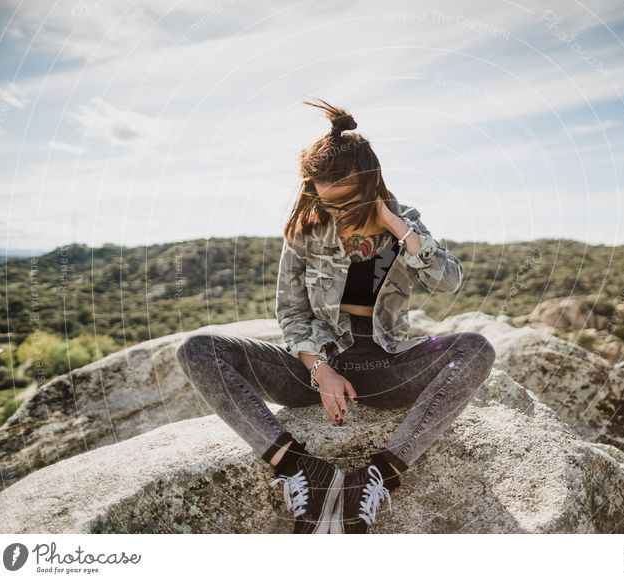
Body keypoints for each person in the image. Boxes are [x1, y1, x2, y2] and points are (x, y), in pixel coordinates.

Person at [175, 98, 496, 534]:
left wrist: (398, 228)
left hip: (387, 368)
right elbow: (291, 312)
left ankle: (381, 473)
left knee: (476, 349)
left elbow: (449, 282)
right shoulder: (306, 230)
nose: (335, 213)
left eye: (345, 203)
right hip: (315, 369)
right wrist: (320, 368)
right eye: (326, 203)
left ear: (371, 185)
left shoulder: (405, 225)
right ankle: (298, 466)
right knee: (197, 350)